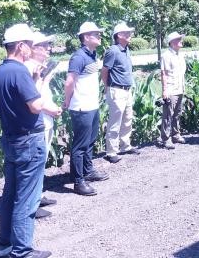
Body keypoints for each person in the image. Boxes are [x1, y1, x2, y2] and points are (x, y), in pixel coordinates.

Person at [0, 23, 62, 258]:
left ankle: (3, 245)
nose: (32, 48)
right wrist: (40, 79)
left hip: (10, 138)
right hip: (29, 141)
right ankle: (22, 251)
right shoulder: (20, 71)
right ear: (21, 46)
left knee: (10, 194)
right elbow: (35, 105)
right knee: (27, 198)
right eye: (30, 44)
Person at [64, 22, 109, 196]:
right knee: (80, 145)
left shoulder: (92, 54)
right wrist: (67, 101)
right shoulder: (78, 57)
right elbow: (70, 81)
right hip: (81, 107)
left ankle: (88, 171)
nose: (99, 36)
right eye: (96, 34)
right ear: (86, 37)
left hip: (92, 105)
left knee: (90, 141)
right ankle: (78, 181)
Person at [24, 32, 59, 218]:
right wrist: (50, 110)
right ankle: (31, 203)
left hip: (45, 120)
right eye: (44, 46)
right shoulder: (29, 69)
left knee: (41, 161)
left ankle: (37, 196)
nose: (48, 49)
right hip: (38, 121)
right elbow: (32, 99)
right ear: (33, 49)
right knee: (35, 163)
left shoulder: (40, 67)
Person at [101, 22, 138, 163]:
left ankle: (125, 145)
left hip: (127, 90)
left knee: (127, 119)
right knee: (115, 122)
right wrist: (107, 87)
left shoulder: (126, 49)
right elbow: (104, 71)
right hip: (116, 90)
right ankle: (111, 152)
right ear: (119, 35)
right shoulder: (113, 51)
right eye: (127, 33)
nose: (130, 35)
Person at [158, 32, 187, 149]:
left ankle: (176, 134)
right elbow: (163, 73)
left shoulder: (180, 55)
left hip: (179, 89)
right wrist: (165, 90)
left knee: (177, 114)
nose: (181, 41)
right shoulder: (166, 56)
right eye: (178, 39)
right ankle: (165, 138)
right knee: (168, 115)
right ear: (172, 42)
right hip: (171, 90)